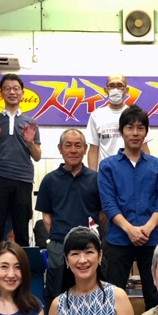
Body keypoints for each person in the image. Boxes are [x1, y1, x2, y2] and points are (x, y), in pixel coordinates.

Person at [98, 105, 158, 311]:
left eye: (140, 128)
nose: (135, 133)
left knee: (155, 295)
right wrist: (130, 229)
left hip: (151, 239)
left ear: (146, 132)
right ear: (121, 132)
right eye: (130, 128)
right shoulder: (107, 166)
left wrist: (147, 228)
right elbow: (108, 203)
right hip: (119, 239)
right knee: (114, 295)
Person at [35, 128, 102, 302]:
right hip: (59, 247)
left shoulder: (97, 179)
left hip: (89, 246)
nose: (73, 150)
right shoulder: (50, 180)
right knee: (56, 296)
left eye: (78, 145)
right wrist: (59, 239)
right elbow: (47, 217)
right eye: (68, 145)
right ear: (60, 148)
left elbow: (103, 215)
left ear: (85, 149)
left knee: (91, 295)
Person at [0, 73, 42, 247]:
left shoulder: (31, 123)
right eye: (7, 88)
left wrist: (30, 142)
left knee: (22, 230)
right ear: (1, 93)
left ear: (22, 93)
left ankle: (23, 262)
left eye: (16, 88)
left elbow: (37, 156)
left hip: (23, 179)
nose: (12, 92)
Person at [85, 74, 151, 171]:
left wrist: (146, 172)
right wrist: (93, 176)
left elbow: (144, 148)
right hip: (107, 172)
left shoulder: (136, 115)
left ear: (126, 90)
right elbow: (93, 150)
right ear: (106, 90)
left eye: (120, 86)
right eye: (111, 86)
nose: (115, 90)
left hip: (133, 171)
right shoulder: (96, 115)